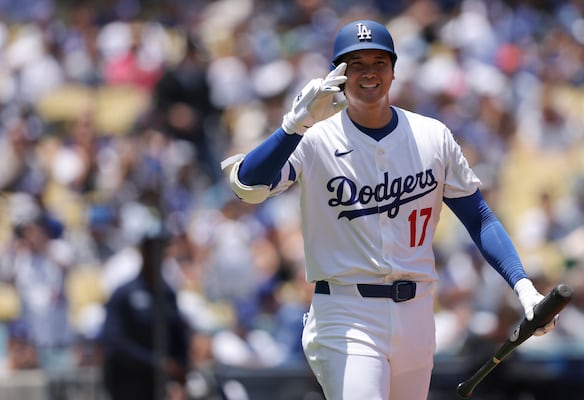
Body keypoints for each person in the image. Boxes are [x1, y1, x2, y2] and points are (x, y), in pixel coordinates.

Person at [222, 19, 557, 400]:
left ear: (394, 70)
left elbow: (479, 218)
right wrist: (293, 125)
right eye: (356, 63)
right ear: (337, 73)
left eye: (378, 62)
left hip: (416, 312)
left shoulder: (433, 136)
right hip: (346, 312)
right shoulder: (314, 138)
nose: (368, 73)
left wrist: (524, 287)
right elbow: (248, 187)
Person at [100, 234, 190, 400]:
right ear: (143, 251)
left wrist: (181, 372)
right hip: (129, 383)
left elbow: (179, 335)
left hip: (161, 385)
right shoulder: (124, 293)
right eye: (152, 249)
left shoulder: (167, 294)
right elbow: (115, 342)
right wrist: (156, 363)